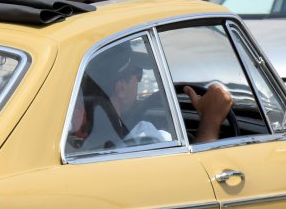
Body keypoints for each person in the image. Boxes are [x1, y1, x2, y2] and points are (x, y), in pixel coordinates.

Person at [72, 43, 233, 151]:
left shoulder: (72, 129)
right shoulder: (145, 138)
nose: (139, 82)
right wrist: (210, 122)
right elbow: (192, 180)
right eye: (138, 75)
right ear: (121, 88)